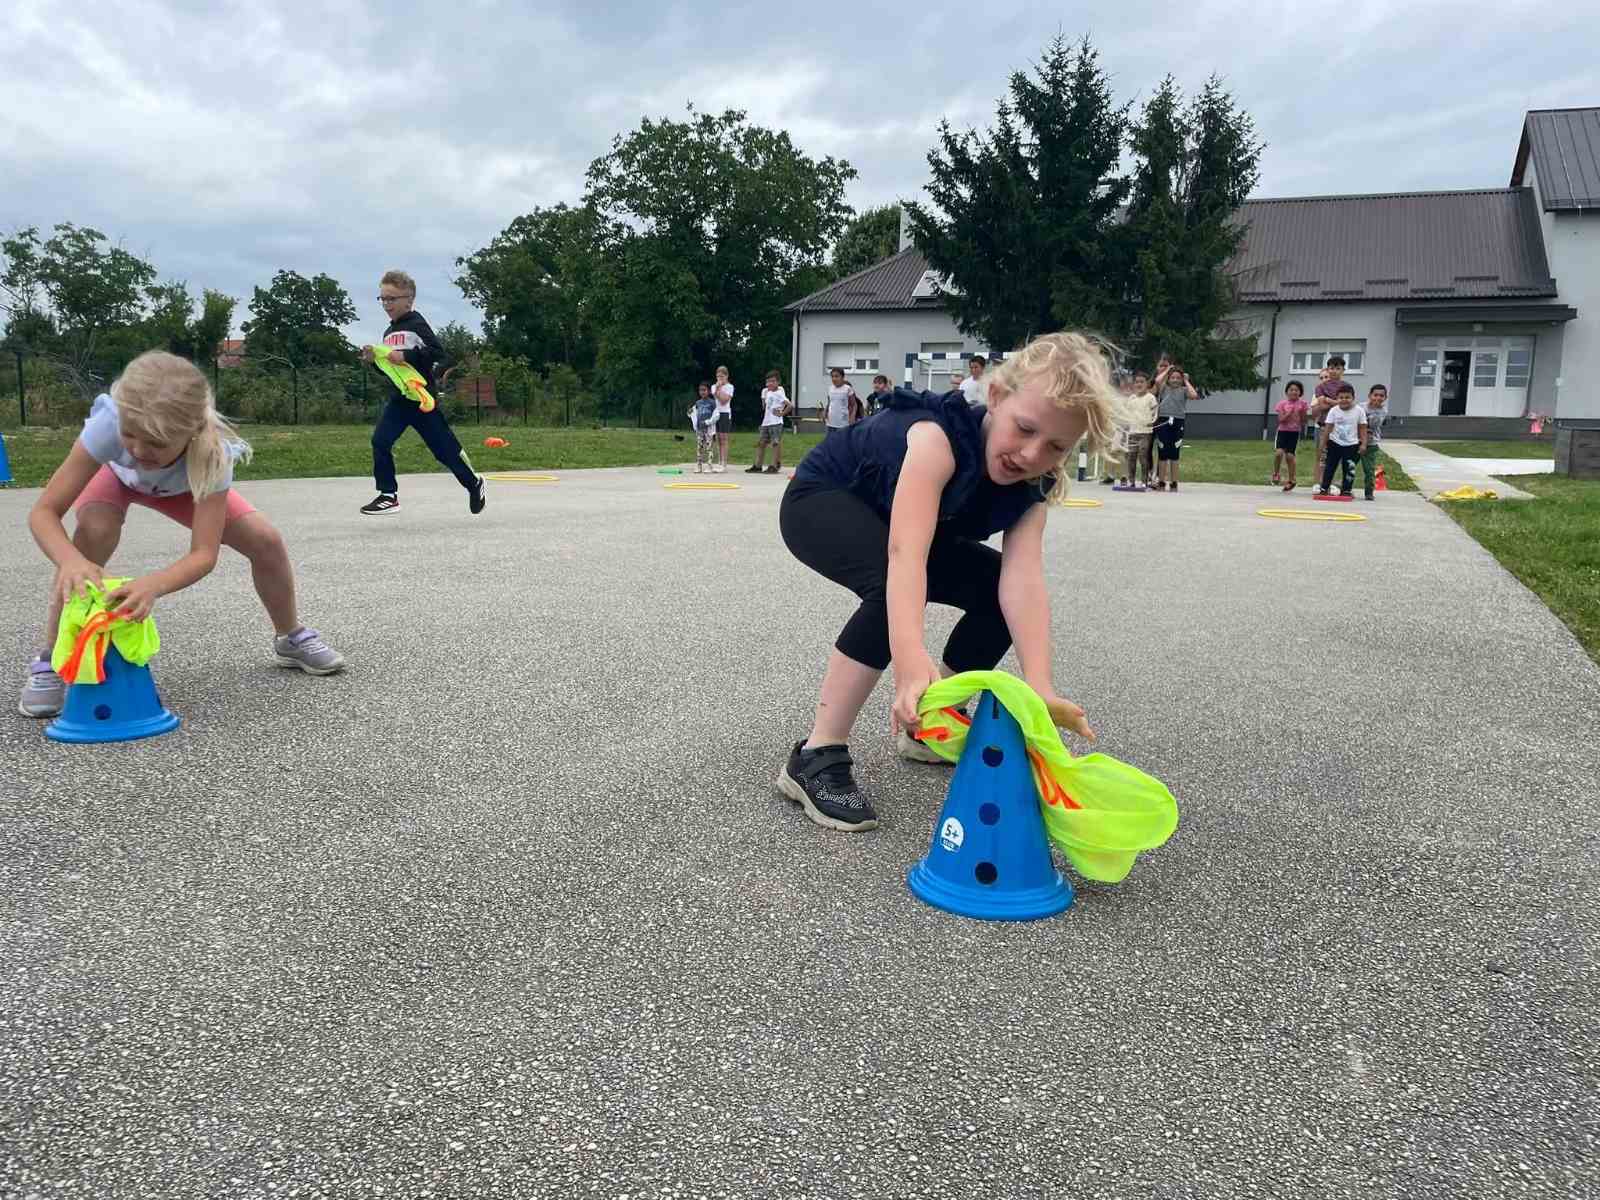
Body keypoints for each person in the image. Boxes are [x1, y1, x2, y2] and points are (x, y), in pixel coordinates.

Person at [774, 331, 1123, 832]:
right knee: (889, 589)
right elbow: (905, 555)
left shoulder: (1032, 485)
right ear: (996, 398)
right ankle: (816, 755)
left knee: (994, 592)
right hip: (823, 501)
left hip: (904, 526)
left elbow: (1023, 582)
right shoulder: (935, 440)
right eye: (1024, 428)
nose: (1031, 454)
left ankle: (930, 725)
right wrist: (910, 659)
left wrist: (1040, 686)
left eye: (1055, 446)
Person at [18, 351, 345, 718]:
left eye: (157, 443)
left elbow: (204, 554)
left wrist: (154, 584)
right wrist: (71, 561)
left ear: (192, 432)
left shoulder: (211, 455)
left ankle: (290, 636)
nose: (139, 450)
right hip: (115, 480)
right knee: (94, 532)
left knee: (265, 540)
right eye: (130, 435)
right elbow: (44, 512)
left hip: (184, 488)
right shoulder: (109, 425)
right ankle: (51, 660)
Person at [359, 270, 485, 516]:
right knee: (380, 441)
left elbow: (438, 353)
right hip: (399, 400)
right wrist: (374, 362)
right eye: (382, 298)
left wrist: (406, 355)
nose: (386, 304)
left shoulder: (417, 324)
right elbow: (392, 372)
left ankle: (474, 483)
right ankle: (388, 495)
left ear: (409, 299)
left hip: (422, 401)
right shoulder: (388, 334)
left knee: (445, 452)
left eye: (392, 298)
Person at [1151, 361, 1197, 491]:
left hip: (1178, 421)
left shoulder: (1183, 390)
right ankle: (1161, 481)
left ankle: (1174, 482)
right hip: (1163, 420)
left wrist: (1186, 381)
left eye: (1178, 378)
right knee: (1163, 451)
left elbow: (1194, 395)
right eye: (1173, 378)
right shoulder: (1164, 388)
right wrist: (1167, 371)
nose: (1175, 380)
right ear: (1168, 379)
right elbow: (1157, 381)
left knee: (1174, 453)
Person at [1317, 383, 1367, 497]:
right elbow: (1328, 428)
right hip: (1334, 443)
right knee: (1330, 466)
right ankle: (1324, 488)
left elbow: (1363, 428)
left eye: (1347, 397)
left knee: (1349, 468)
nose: (1344, 400)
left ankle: (1346, 490)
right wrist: (1322, 444)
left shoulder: (1359, 411)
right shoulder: (1334, 411)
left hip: (1352, 445)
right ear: (1337, 398)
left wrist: (1363, 444)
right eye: (1341, 397)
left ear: (1353, 398)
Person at [1119, 371, 1157, 487]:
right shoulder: (1131, 398)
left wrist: (1152, 421)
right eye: (1137, 382)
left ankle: (1144, 481)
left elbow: (1155, 412)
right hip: (1132, 432)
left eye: (1142, 382)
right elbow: (1126, 413)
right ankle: (1131, 481)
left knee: (1143, 456)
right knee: (1131, 456)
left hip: (1145, 432)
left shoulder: (1150, 398)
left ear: (1147, 384)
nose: (1139, 384)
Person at [750, 370, 791, 474]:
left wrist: (782, 413)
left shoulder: (779, 393)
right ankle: (758, 465)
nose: (770, 384)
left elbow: (790, 405)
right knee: (761, 443)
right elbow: (765, 407)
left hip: (776, 422)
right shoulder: (768, 392)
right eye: (768, 381)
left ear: (778, 382)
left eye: (773, 381)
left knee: (775, 443)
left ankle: (774, 465)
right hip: (766, 422)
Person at [1272, 380, 1310, 491]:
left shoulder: (1303, 404)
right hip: (1282, 431)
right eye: (1291, 390)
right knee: (1279, 453)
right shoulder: (1282, 404)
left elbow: (1304, 421)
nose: (1294, 392)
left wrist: (1302, 413)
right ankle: (1276, 474)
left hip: (1294, 433)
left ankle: (1292, 480)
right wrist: (1288, 414)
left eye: (1296, 390)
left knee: (1290, 456)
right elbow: (1280, 420)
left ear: (1300, 392)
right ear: (1287, 392)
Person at [1359, 384, 1388, 500]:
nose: (1378, 398)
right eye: (1375, 395)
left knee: (1369, 470)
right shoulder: (1361, 407)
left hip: (1371, 444)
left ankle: (1369, 492)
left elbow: (1372, 426)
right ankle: (1345, 489)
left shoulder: (1383, 411)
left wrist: (1365, 428)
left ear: (1385, 397)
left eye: (1381, 396)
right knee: (1349, 466)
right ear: (1370, 395)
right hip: (1356, 441)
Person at [710, 366, 734, 473]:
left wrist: (719, 389)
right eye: (718, 376)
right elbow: (716, 397)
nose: (719, 378)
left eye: (722, 376)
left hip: (725, 413)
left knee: (724, 438)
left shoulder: (730, 387)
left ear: (726, 376)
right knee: (717, 438)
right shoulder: (713, 386)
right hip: (716, 414)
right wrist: (717, 389)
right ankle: (719, 461)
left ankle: (724, 463)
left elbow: (724, 401)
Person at [690, 381, 718, 473]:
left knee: (709, 448)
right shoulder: (698, 403)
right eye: (700, 390)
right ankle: (699, 465)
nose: (702, 392)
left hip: (709, 429)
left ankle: (709, 466)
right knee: (699, 447)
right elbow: (692, 412)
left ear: (709, 391)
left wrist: (708, 422)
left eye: (704, 390)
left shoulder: (712, 403)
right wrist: (690, 413)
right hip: (700, 429)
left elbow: (716, 415)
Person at [823, 367, 855, 439]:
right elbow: (829, 402)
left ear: (842, 377)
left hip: (843, 423)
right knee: (830, 442)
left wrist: (852, 416)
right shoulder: (830, 388)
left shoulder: (848, 389)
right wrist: (825, 411)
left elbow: (854, 405)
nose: (834, 379)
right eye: (832, 376)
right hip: (830, 422)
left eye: (836, 376)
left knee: (842, 442)